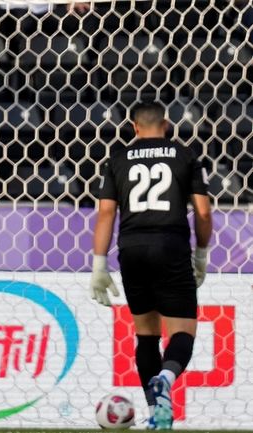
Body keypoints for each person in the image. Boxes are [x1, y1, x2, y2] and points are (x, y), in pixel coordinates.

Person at [90, 101, 212, 430]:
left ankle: (157, 413)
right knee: (182, 333)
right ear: (167, 125)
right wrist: (200, 254)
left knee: (146, 334)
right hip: (170, 247)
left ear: (134, 126)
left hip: (131, 249)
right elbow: (202, 212)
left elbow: (105, 213)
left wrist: (99, 264)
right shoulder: (185, 156)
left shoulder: (117, 159)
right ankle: (166, 380)